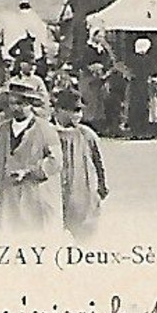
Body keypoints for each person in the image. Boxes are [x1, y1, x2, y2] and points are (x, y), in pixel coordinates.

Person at [0, 77, 64, 234]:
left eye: (20, 104)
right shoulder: (1, 131)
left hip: (36, 197)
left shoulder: (46, 130)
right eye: (12, 103)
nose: (15, 108)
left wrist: (29, 172)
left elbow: (56, 161)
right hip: (8, 199)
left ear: (30, 104)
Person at [54, 89, 109, 239]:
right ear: (59, 110)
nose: (77, 115)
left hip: (82, 189)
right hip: (58, 189)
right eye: (73, 110)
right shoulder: (49, 133)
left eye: (79, 111)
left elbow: (98, 162)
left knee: (84, 230)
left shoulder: (87, 134)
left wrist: (102, 185)